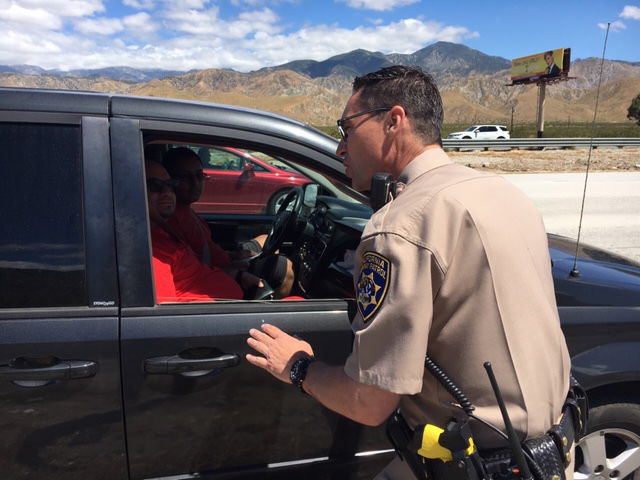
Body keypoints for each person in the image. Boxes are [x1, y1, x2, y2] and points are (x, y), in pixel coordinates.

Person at [245, 66, 573, 479]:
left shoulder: (398, 227)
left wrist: (298, 366)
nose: (341, 148)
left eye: (347, 129)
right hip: (552, 451)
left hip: (474, 464)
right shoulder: (504, 192)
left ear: (393, 121)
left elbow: (368, 403)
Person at [162, 147, 294, 298]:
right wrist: (234, 264)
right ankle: (274, 308)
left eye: (199, 175)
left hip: (224, 260)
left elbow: (206, 249)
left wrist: (233, 255)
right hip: (220, 270)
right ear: (170, 180)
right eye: (186, 177)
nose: (195, 182)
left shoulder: (184, 209)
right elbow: (197, 266)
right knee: (285, 268)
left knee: (265, 239)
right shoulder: (174, 219)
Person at [146, 159, 248, 302]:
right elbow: (163, 311)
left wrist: (237, 275)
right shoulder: (149, 252)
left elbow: (196, 272)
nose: (167, 192)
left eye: (170, 184)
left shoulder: (163, 233)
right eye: (155, 186)